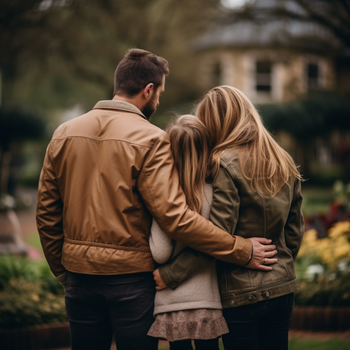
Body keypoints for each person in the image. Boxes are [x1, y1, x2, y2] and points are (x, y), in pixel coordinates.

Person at [36, 47, 276, 350]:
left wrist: (64, 270)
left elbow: (46, 212)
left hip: (78, 278)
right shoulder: (150, 139)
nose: (159, 100)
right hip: (131, 283)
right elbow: (175, 218)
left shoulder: (63, 133)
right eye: (159, 93)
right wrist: (241, 249)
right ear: (148, 91)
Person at [154, 86, 305, 350]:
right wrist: (278, 265)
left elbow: (215, 237)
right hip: (282, 287)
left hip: (240, 293)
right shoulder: (284, 160)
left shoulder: (225, 163)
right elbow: (294, 233)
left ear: (216, 124)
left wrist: (170, 274)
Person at [147, 115, 229, 349]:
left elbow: (161, 253)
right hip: (208, 300)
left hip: (174, 301)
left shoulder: (166, 196)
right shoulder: (217, 191)